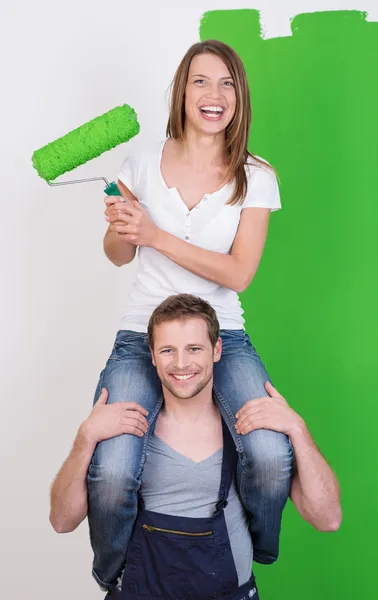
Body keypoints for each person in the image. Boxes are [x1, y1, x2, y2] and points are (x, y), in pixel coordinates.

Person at [89, 39, 292, 591]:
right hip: (142, 335)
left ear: (239, 97)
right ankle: (115, 575)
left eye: (227, 83)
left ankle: (252, 549)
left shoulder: (256, 175)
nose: (215, 94)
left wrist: (156, 233)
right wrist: (121, 226)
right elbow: (118, 255)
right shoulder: (141, 163)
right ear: (182, 92)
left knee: (272, 458)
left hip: (221, 334)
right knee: (110, 474)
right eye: (201, 81)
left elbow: (238, 273)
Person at [50, 294, 342, 600]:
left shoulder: (247, 434)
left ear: (217, 350)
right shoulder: (125, 432)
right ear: (151, 355)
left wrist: (298, 429)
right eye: (167, 350)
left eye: (194, 349)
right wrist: (85, 438)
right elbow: (61, 521)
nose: (181, 363)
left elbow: (328, 518)